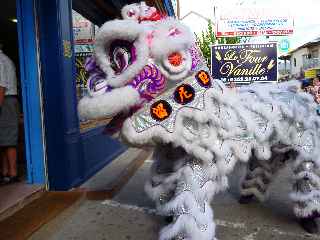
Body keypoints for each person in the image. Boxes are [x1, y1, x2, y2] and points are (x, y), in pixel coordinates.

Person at [0, 44, 19, 184]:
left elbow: (1, 86)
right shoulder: (5, 59)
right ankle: (6, 173)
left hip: (5, 100)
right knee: (4, 139)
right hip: (7, 100)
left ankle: (12, 174)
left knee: (8, 138)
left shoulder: (0, 60)